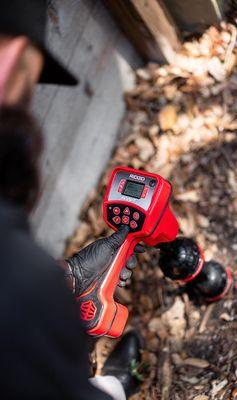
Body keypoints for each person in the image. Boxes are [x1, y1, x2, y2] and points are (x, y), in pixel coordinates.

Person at [0, 1, 143, 399]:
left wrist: (67, 280)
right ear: (12, 64)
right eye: (31, 85)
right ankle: (116, 385)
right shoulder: (22, 290)